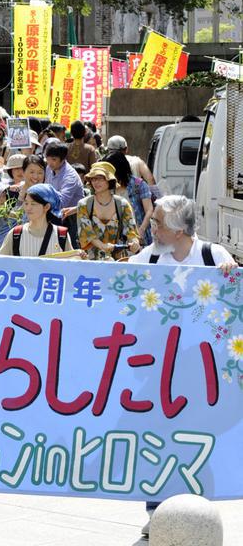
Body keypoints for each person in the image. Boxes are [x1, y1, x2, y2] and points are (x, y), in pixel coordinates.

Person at [129, 194, 233, 539]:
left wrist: (232, 276)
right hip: (159, 368)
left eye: (157, 222)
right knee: (156, 436)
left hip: (204, 369)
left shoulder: (212, 256)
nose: (152, 227)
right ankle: (157, 510)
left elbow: (234, 296)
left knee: (196, 437)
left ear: (178, 229)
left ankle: (195, 508)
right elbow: (121, 281)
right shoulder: (150, 257)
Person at [77, 161, 140, 260]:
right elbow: (87, 233)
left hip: (117, 260)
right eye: (93, 179)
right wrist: (103, 246)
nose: (96, 182)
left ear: (109, 180)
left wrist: (135, 243)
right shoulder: (84, 204)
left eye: (100, 178)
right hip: (90, 260)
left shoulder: (122, 204)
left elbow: (131, 231)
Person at [0, 183, 75, 257]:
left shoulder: (61, 235)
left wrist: (79, 257)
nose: (28, 208)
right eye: (26, 203)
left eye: (33, 204)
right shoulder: (15, 234)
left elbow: (72, 264)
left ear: (46, 207)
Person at [106, 149, 154, 245]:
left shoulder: (138, 184)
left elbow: (149, 210)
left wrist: (141, 230)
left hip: (138, 236)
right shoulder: (108, 186)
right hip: (117, 237)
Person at [43, 140, 85, 244]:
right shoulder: (49, 167)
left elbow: (62, 202)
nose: (50, 162)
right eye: (48, 159)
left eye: (54, 159)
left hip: (71, 217)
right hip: (54, 213)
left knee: (70, 248)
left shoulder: (70, 176)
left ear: (63, 159)